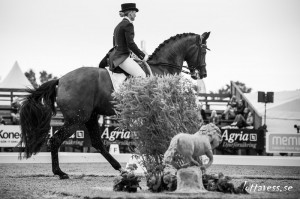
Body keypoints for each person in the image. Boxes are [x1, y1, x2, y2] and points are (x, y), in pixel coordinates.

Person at [110, 3, 148, 77]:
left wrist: (132, 54)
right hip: (122, 58)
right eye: (134, 13)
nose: (135, 15)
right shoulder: (128, 25)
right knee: (142, 75)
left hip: (116, 56)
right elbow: (130, 44)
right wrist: (142, 56)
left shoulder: (118, 26)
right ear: (130, 13)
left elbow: (115, 43)